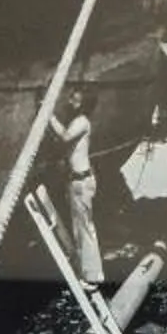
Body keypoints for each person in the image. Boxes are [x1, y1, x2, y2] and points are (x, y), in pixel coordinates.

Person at [49, 86, 104, 286]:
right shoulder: (79, 120)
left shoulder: (81, 122)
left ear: (83, 104)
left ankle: (93, 276)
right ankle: (88, 271)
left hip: (80, 182)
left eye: (75, 99)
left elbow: (64, 137)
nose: (70, 101)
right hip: (78, 181)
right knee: (81, 227)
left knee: (84, 229)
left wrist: (48, 115)